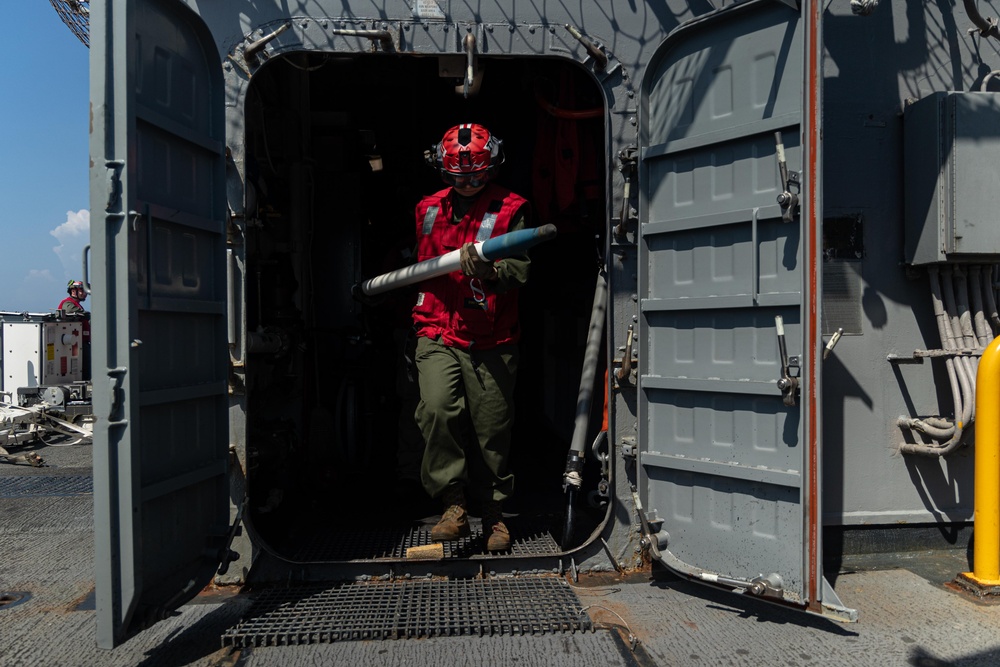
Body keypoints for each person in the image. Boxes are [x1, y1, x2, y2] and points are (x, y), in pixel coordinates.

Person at [413, 123, 531, 552]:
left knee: (492, 429)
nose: (467, 183)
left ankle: (495, 515)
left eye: (476, 175)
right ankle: (454, 505)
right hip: (436, 329)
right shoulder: (427, 207)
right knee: (438, 410)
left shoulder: (510, 208)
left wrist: (490, 270)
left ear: (491, 168)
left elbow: (520, 269)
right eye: (459, 176)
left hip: (492, 337)